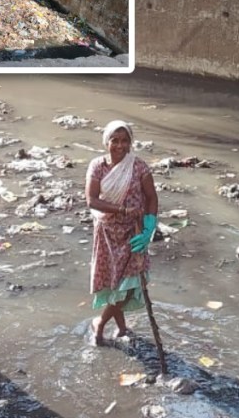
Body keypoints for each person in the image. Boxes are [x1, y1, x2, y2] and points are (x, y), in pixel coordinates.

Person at [85, 120, 158, 345]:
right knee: (114, 284)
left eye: (124, 140)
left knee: (128, 285)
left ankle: (112, 326)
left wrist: (149, 227)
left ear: (130, 143)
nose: (119, 145)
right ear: (107, 142)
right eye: (114, 140)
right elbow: (92, 200)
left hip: (133, 233)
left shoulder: (139, 167)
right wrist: (123, 209)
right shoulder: (97, 166)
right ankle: (107, 325)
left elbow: (151, 197)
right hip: (107, 233)